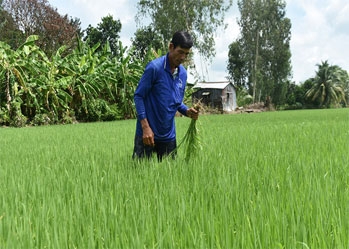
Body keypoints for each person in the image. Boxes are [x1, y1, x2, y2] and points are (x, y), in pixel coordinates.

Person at [132, 31, 199, 161]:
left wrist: (187, 111)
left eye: (186, 54)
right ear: (171, 47)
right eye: (180, 52)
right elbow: (139, 96)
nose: (183, 57)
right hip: (147, 135)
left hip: (168, 137)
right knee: (139, 176)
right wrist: (145, 128)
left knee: (170, 178)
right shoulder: (155, 68)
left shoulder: (183, 74)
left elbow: (176, 102)